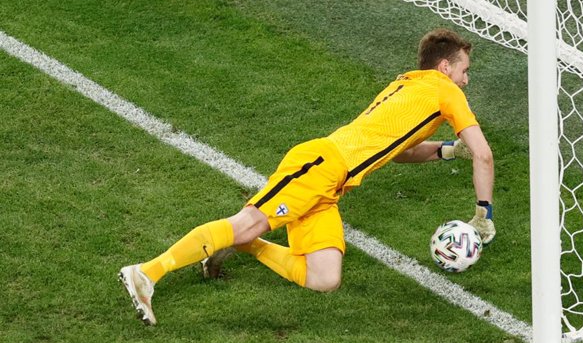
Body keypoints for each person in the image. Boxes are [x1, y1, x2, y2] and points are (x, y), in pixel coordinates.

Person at [119, 28, 495, 326]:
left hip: (329, 183)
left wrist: (446, 150)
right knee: (247, 222)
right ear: (445, 68)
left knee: (324, 277)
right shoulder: (445, 91)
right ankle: (146, 274)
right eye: (465, 71)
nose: (466, 81)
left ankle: (248, 246)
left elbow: (399, 153)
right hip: (319, 166)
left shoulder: (408, 86)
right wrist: (483, 215)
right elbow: (484, 154)